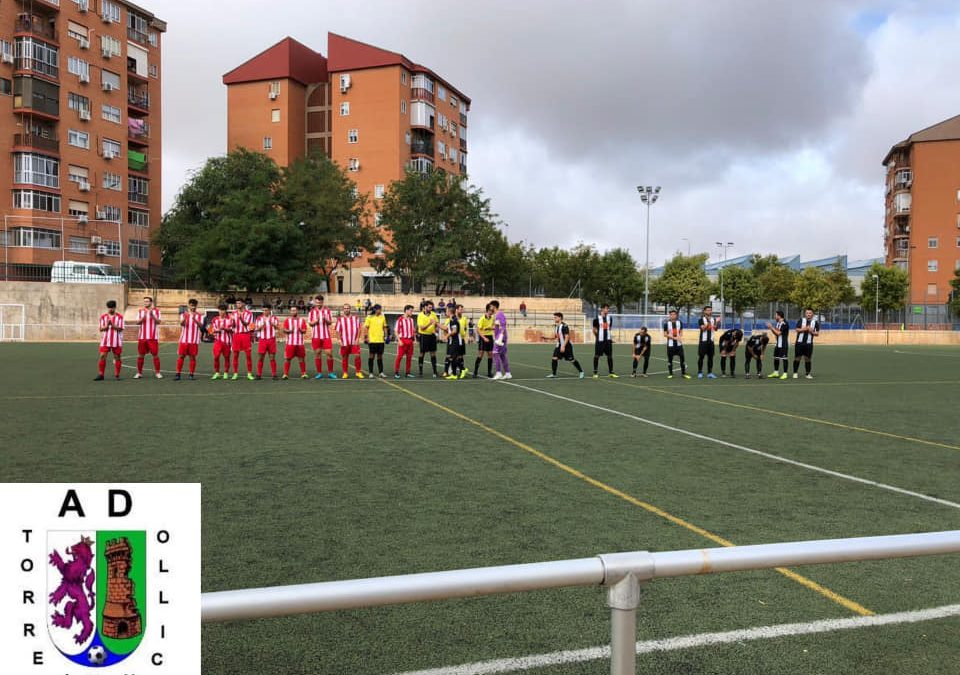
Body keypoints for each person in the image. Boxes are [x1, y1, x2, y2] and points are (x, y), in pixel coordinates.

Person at [547, 312, 584, 378]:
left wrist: (563, 346)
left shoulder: (564, 326)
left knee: (571, 359)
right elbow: (556, 336)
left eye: (555, 317)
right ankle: (554, 374)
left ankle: (581, 371)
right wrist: (546, 338)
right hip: (559, 345)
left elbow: (567, 337)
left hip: (567, 346)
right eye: (554, 317)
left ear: (560, 317)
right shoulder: (556, 326)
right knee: (554, 358)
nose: (554, 319)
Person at [134, 296, 162, 379]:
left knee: (155, 355)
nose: (145, 303)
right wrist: (145, 316)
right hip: (142, 337)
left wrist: (152, 315)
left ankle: (157, 373)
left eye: (147, 301)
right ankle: (139, 373)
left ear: (151, 302)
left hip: (153, 337)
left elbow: (159, 322)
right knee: (140, 355)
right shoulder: (140, 311)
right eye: (144, 301)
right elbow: (137, 322)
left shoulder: (157, 311)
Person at [174, 299, 204, 381]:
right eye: (191, 305)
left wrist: (195, 319)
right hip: (184, 340)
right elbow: (181, 324)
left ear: (196, 306)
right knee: (181, 356)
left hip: (194, 340)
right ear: (189, 306)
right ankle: (178, 374)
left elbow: (201, 326)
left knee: (192, 358)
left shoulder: (199, 316)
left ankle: (191, 374)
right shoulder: (184, 314)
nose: (193, 307)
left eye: (194, 305)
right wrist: (185, 318)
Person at [95, 300, 124, 381]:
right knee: (102, 356)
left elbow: (121, 328)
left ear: (115, 307)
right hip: (105, 340)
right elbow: (101, 329)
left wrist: (113, 325)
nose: (110, 309)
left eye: (112, 308)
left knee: (117, 357)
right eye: (109, 308)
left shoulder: (120, 317)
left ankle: (117, 374)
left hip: (116, 340)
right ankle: (101, 374)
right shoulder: (103, 317)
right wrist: (107, 325)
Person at [308, 295, 336, 379]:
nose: (318, 304)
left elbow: (330, 322)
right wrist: (316, 321)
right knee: (318, 354)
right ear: (315, 302)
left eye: (320, 302)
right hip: (316, 336)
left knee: (329, 353)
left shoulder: (327, 311)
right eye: (317, 302)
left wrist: (325, 319)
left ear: (322, 302)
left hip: (326, 336)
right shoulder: (312, 312)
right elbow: (310, 323)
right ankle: (319, 373)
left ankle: (330, 373)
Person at [336, 304, 364, 378]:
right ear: (343, 310)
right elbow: (338, 331)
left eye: (348, 308)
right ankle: (345, 373)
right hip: (345, 341)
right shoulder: (340, 319)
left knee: (357, 355)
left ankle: (358, 372)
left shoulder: (355, 318)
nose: (346, 309)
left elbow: (359, 329)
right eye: (345, 308)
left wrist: (357, 338)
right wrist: (339, 339)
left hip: (354, 341)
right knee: (345, 357)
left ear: (350, 309)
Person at [231, 299, 255, 380]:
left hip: (245, 335)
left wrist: (240, 318)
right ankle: (235, 373)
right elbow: (233, 326)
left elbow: (247, 324)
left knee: (248, 355)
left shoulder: (249, 314)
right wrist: (233, 321)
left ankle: (249, 373)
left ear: (243, 304)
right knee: (235, 355)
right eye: (236, 303)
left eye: (239, 303)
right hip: (236, 335)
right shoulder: (233, 313)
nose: (238, 304)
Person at [792, 308, 819, 379]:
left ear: (812, 314)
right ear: (805, 314)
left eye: (810, 313)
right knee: (797, 358)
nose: (808, 314)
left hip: (809, 344)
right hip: (799, 343)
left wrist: (811, 331)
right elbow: (796, 329)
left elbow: (817, 333)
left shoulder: (815, 322)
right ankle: (795, 373)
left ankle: (807, 374)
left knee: (808, 359)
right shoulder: (801, 320)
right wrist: (804, 329)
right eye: (807, 313)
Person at [254, 304, 280, 380]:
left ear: (269, 310)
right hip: (262, 340)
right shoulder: (259, 318)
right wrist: (263, 325)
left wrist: (273, 324)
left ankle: (274, 374)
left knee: (272, 358)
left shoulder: (274, 318)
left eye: (266, 310)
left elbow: (278, 328)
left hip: (271, 340)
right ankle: (259, 374)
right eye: (263, 310)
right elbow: (256, 329)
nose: (264, 312)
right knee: (260, 358)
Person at [663, 309, 690, 379]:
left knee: (682, 359)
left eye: (674, 314)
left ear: (676, 315)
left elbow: (681, 331)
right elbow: (665, 334)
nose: (673, 316)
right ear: (669, 316)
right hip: (670, 345)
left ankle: (683, 373)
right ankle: (670, 373)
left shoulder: (679, 322)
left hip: (679, 345)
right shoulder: (666, 323)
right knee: (670, 359)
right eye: (671, 314)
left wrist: (679, 336)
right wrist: (673, 338)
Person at [282, 305, 308, 379]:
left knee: (301, 358)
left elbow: (304, 331)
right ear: (290, 312)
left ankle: (303, 373)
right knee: (288, 358)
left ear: (297, 311)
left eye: (295, 310)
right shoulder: (287, 320)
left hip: (300, 343)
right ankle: (285, 374)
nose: (293, 312)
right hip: (290, 343)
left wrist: (300, 330)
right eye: (292, 310)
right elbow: (284, 330)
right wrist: (290, 330)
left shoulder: (302, 320)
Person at [209, 304, 234, 380]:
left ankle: (226, 372)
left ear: (225, 311)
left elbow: (232, 330)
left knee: (227, 357)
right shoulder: (214, 319)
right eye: (220, 310)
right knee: (216, 357)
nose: (221, 312)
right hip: (218, 341)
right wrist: (216, 331)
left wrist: (225, 328)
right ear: (218, 310)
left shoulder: (230, 319)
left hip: (227, 341)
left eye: (223, 310)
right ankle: (217, 372)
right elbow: (210, 330)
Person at [592, 304, 617, 378]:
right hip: (600, 340)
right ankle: (595, 373)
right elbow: (594, 329)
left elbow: (609, 328)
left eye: (608, 308)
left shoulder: (610, 318)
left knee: (610, 356)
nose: (607, 310)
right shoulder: (597, 318)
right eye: (606, 308)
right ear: (602, 309)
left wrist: (610, 338)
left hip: (608, 341)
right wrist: (598, 337)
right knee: (597, 356)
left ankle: (611, 373)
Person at [416, 300, 440, 378]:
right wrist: (429, 323)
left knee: (433, 353)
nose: (431, 308)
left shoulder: (433, 314)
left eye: (431, 307)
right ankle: (420, 371)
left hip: (432, 336)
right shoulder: (420, 315)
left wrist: (435, 329)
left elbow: (436, 323)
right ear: (425, 307)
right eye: (429, 307)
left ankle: (435, 371)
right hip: (423, 336)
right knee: (422, 353)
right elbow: (422, 328)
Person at [364, 304, 388, 378]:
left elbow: (385, 327)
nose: (380, 311)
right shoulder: (369, 317)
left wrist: (386, 336)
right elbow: (366, 328)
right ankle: (371, 373)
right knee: (371, 356)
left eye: (380, 309)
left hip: (380, 340)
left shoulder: (382, 317)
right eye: (379, 309)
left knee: (380, 356)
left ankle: (381, 372)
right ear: (375, 309)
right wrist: (366, 337)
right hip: (372, 340)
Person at [393, 305, 417, 379]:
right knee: (399, 357)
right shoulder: (400, 320)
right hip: (402, 340)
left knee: (409, 357)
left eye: (412, 311)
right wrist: (399, 340)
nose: (411, 312)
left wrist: (415, 340)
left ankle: (408, 372)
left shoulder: (411, 320)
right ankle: (396, 372)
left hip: (410, 340)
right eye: (410, 310)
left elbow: (413, 331)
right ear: (406, 310)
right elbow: (396, 331)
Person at [490, 300, 512, 380]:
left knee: (495, 353)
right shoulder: (497, 315)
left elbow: (503, 326)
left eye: (491, 306)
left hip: (500, 338)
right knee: (502, 355)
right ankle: (507, 373)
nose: (490, 308)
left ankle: (498, 373)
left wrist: (500, 337)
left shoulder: (499, 314)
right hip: (500, 337)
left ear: (494, 306)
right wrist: (490, 328)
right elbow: (498, 327)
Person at [443, 304, 465, 380]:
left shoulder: (453, 320)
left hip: (456, 341)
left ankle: (462, 370)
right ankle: (455, 374)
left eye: (446, 311)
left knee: (453, 358)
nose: (445, 312)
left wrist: (447, 336)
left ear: (449, 311)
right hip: (453, 341)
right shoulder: (452, 319)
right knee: (452, 358)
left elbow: (454, 331)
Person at [767, 310, 790, 380]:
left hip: (783, 344)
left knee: (784, 358)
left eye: (776, 315)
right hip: (778, 344)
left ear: (779, 316)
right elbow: (775, 332)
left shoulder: (784, 323)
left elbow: (778, 333)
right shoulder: (778, 323)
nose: (775, 316)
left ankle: (785, 374)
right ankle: (776, 372)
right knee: (776, 358)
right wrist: (771, 329)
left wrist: (771, 327)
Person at [473, 304, 495, 378]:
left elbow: (494, 326)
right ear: (488, 310)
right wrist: (484, 338)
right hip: (483, 337)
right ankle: (475, 372)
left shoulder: (492, 318)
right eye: (491, 310)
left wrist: (490, 328)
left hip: (490, 337)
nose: (492, 312)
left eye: (493, 310)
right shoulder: (482, 318)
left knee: (490, 354)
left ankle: (489, 372)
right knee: (480, 354)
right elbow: (478, 330)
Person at [697, 305, 718, 379]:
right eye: (708, 310)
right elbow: (703, 329)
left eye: (710, 310)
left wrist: (716, 324)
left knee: (710, 358)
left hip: (711, 341)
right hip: (703, 341)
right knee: (701, 357)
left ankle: (710, 373)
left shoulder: (713, 319)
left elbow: (715, 329)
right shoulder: (701, 320)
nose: (710, 311)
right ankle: (700, 372)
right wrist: (709, 322)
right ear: (704, 311)